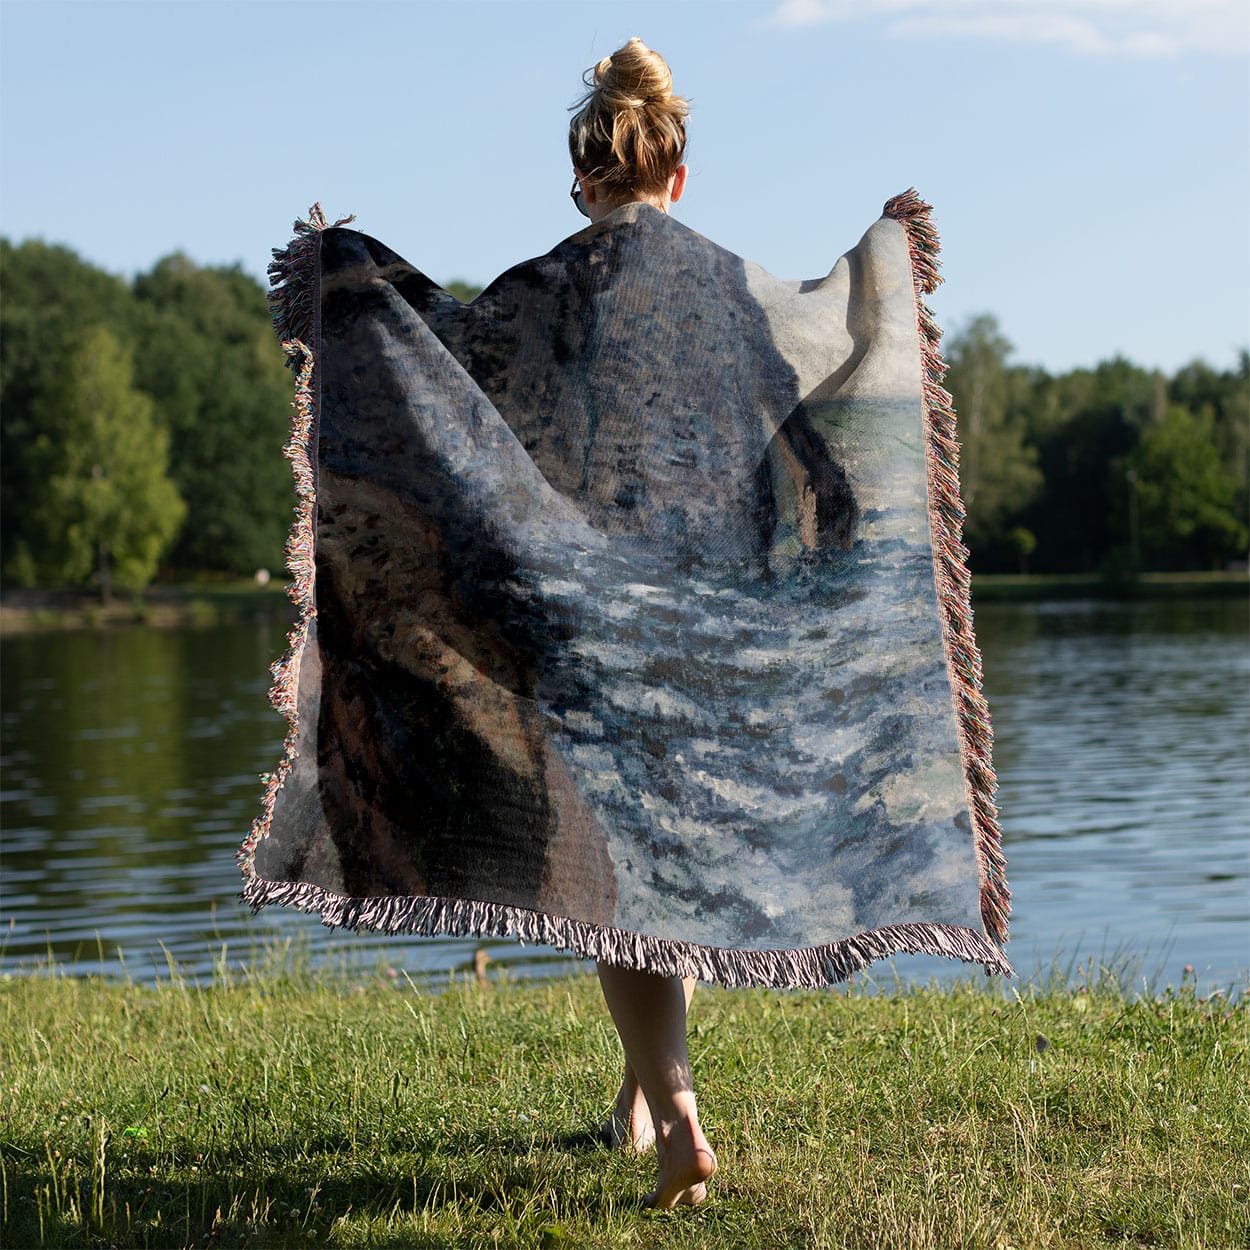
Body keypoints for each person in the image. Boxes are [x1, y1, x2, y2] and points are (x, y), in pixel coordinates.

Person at [566, 36, 717, 1212]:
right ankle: (632, 1099)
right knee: (656, 866)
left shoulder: (554, 290)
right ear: (675, 176)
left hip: (595, 616)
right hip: (705, 618)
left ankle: (677, 1117)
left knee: (612, 884)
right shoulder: (723, 291)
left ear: (584, 181)